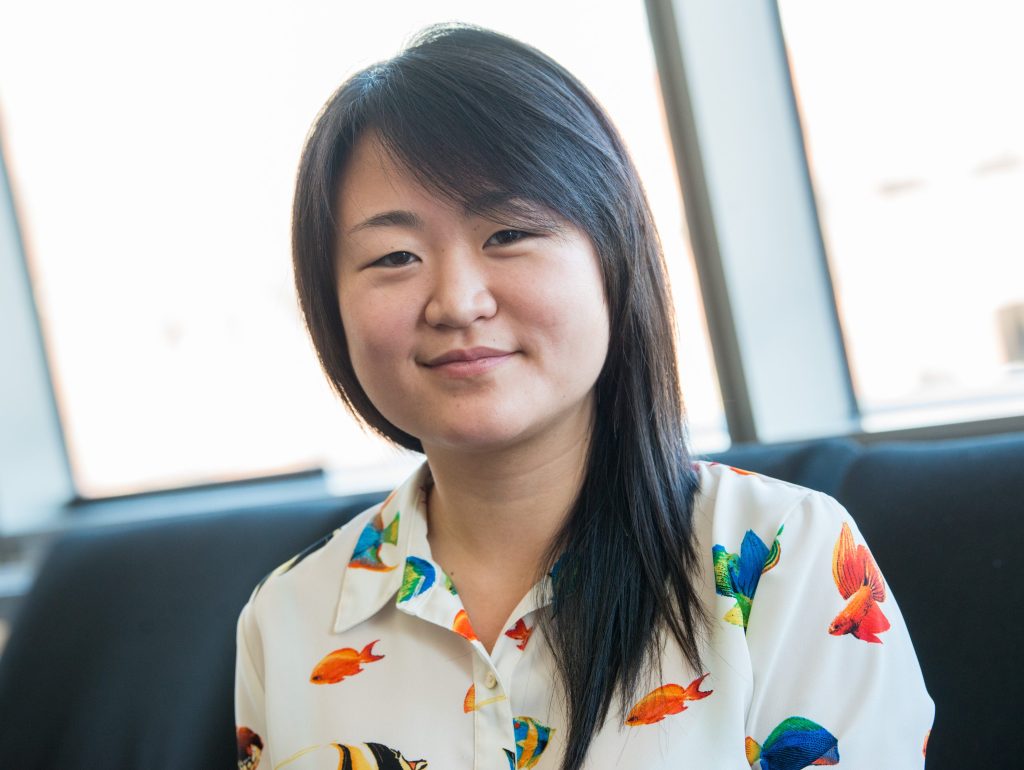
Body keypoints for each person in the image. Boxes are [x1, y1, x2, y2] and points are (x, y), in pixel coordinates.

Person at [235, 24, 933, 770]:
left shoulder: (782, 559)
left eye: (508, 233)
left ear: (612, 254)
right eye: (394, 256)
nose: (458, 301)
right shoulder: (287, 617)